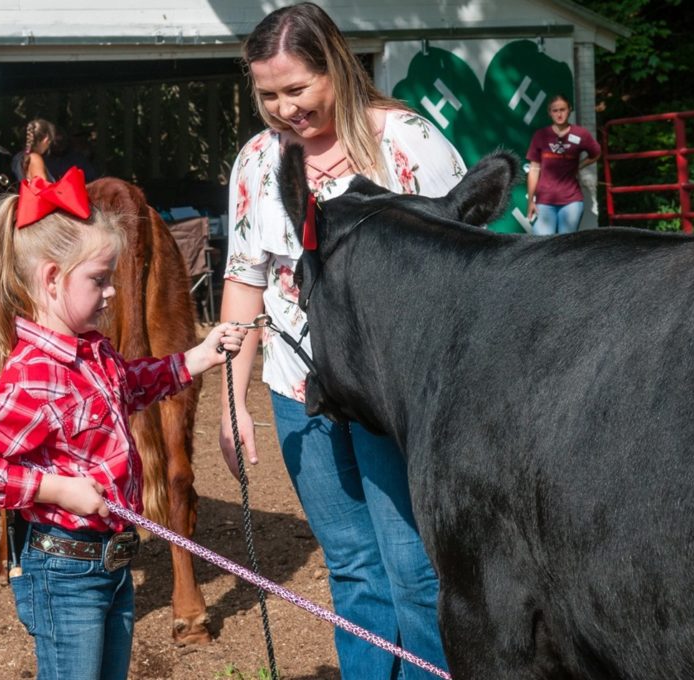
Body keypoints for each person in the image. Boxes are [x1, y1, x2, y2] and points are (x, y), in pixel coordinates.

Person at [220, 4, 465, 678]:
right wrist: (233, 401)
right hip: (299, 392)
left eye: (297, 89)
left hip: (395, 398)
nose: (283, 109)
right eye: (267, 95)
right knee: (353, 568)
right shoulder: (258, 161)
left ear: (336, 67)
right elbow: (245, 280)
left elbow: (468, 268)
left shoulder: (408, 142)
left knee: (415, 568)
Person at [0, 165, 246, 680]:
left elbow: (130, 385)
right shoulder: (31, 377)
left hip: (113, 562)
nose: (111, 293)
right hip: (64, 574)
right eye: (99, 280)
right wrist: (54, 488)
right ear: (53, 278)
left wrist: (195, 358)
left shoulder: (94, 353)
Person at [525, 93, 602, 235]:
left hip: (571, 202)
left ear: (569, 110)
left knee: (565, 247)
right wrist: (531, 201)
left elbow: (596, 153)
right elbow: (534, 170)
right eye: (555, 110)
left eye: (562, 109)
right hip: (545, 201)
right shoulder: (541, 135)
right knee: (542, 245)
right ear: (550, 113)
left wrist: (580, 166)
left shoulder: (581, 134)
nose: (559, 114)